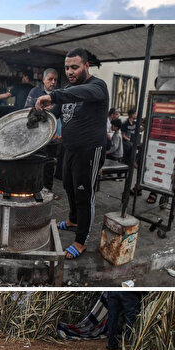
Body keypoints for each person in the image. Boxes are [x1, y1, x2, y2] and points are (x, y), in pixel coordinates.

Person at [35, 48, 109, 260]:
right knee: (68, 185)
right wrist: (40, 113)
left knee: (85, 194)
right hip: (69, 148)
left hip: (89, 151)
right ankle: (74, 219)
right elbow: (56, 111)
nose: (70, 71)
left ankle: (82, 239)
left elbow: (75, 94)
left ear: (86, 66)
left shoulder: (97, 87)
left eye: (74, 67)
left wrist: (53, 95)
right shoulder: (68, 89)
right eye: (67, 68)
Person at [24, 68, 61, 196]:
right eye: (50, 79)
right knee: (35, 162)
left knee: (49, 164)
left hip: (53, 134)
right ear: (43, 80)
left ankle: (48, 191)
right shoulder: (35, 92)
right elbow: (27, 110)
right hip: (36, 135)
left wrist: (59, 132)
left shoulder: (59, 94)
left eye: (55, 80)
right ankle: (33, 189)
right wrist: (41, 109)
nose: (53, 82)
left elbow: (60, 116)